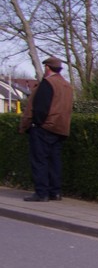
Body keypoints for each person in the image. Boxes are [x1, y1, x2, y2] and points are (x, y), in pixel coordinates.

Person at [19, 56, 73, 202]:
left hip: (44, 127)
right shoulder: (67, 85)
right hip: (60, 128)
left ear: (47, 68)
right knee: (55, 161)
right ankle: (55, 192)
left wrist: (34, 124)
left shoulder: (47, 83)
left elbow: (40, 107)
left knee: (40, 160)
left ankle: (41, 192)